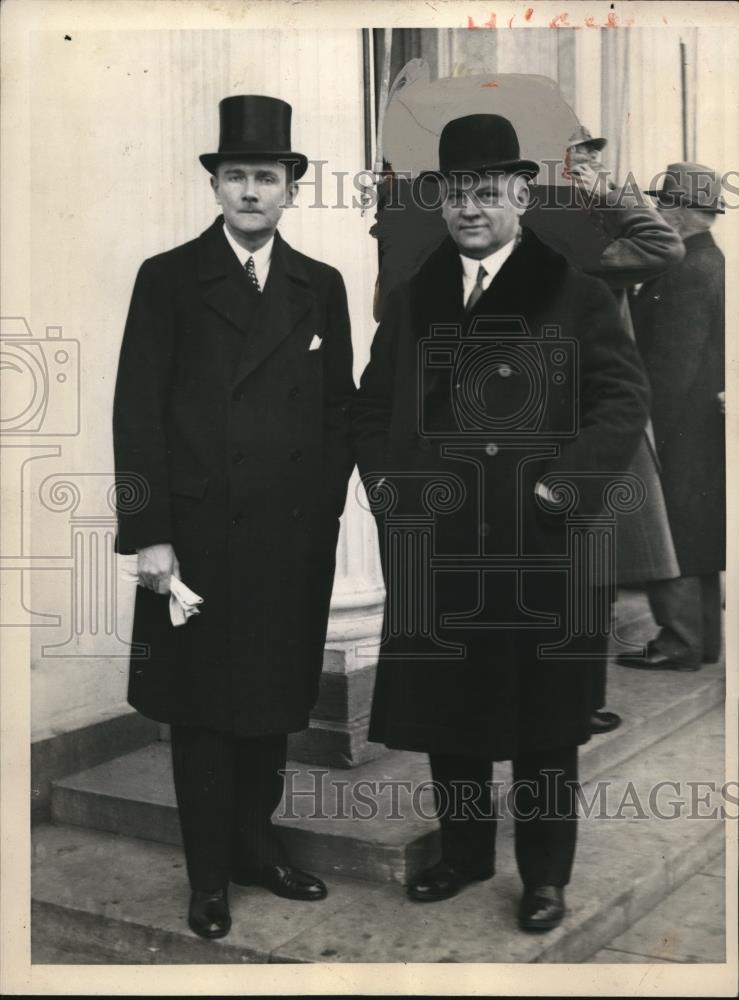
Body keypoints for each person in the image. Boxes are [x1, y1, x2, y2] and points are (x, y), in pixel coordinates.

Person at [353, 114, 650, 931]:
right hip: (441, 543)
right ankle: (462, 852)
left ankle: (544, 876)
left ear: (522, 194)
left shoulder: (575, 289)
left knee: (545, 723)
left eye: (486, 191)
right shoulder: (413, 295)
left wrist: (563, 490)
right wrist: (395, 493)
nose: (470, 208)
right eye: (455, 192)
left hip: (541, 542)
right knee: (450, 710)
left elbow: (621, 401)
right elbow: (372, 407)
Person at [113, 95, 355, 939]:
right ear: (216, 186)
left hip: (288, 539)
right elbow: (137, 414)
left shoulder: (319, 286)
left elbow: (338, 416)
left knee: (273, 707)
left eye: (268, 176)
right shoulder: (168, 277)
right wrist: (148, 533)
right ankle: (208, 878)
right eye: (237, 176)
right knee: (204, 717)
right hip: (197, 543)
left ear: (292, 187)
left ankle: (258, 851)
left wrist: (318, 511)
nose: (252, 191)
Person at [545, 129, 685, 732]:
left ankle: (578, 701)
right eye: (580, 154)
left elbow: (660, 243)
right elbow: (664, 242)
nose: (593, 164)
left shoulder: (589, 230)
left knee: (591, 572)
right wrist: (607, 194)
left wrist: (602, 191)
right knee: (569, 570)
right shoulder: (571, 237)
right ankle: (565, 703)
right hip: (569, 411)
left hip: (596, 412)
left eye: (595, 154)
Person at [617, 162, 725, 672]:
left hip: (673, 422)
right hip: (699, 424)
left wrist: (643, 421)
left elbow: (671, 363)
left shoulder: (684, 271)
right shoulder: (712, 263)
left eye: (663, 204)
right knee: (698, 530)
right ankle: (701, 641)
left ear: (682, 213)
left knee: (675, 528)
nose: (657, 211)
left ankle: (679, 641)